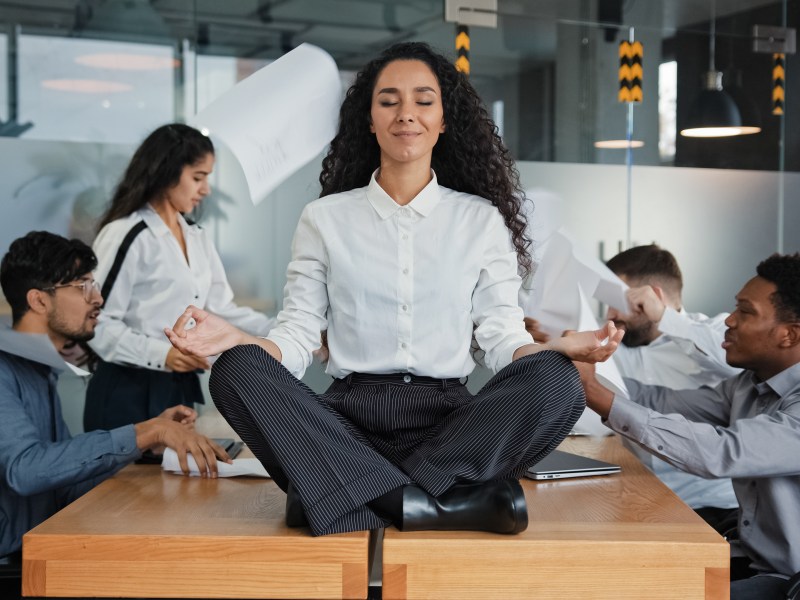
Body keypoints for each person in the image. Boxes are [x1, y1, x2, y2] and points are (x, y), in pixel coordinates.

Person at [165, 41, 623, 538]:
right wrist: (233, 340)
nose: (407, 114)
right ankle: (430, 505)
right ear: (369, 119)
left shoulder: (479, 221)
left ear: (445, 120)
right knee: (236, 370)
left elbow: (502, 339)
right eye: (389, 101)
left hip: (449, 428)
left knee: (556, 379)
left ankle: (345, 497)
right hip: (346, 427)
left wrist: (556, 348)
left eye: (423, 101)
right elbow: (295, 339)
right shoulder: (324, 219)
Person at [575, 252, 800, 600]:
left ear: (789, 334)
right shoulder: (747, 385)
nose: (729, 321)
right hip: (752, 556)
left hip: (789, 579)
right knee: (623, 577)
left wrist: (597, 393)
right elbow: (658, 401)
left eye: (745, 311)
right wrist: (581, 370)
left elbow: (722, 452)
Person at [0, 231, 230, 562]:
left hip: (37, 551)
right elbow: (25, 471)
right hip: (12, 565)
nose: (98, 299)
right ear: (39, 300)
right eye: (83, 287)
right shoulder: (5, 372)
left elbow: (59, 487)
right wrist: (143, 432)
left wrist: (143, 443)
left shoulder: (39, 370)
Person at [84, 123, 275, 432]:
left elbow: (219, 310)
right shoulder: (128, 234)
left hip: (179, 387)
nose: (206, 189)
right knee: (134, 482)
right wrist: (164, 354)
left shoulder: (196, 236)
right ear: (166, 172)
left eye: (207, 178)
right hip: (129, 391)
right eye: (198, 177)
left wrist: (282, 330)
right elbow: (96, 323)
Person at [605, 244, 740, 533]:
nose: (610, 313)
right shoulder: (620, 344)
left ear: (652, 296)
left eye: (615, 301)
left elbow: (739, 366)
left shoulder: (717, 332)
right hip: (643, 497)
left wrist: (666, 318)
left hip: (713, 507)